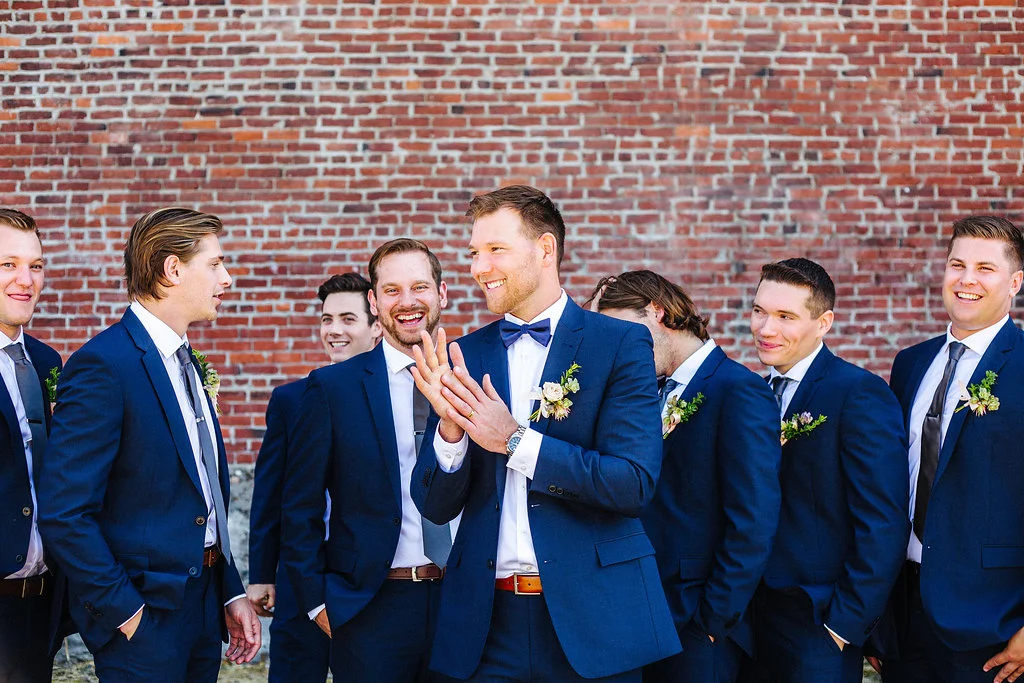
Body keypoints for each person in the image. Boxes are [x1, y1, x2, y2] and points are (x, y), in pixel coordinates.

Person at [410, 185, 680, 682]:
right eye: (473, 253)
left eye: (496, 249)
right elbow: (435, 506)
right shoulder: (465, 354)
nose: (479, 267)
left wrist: (515, 441)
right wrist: (450, 431)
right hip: (486, 627)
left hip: (595, 619)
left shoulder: (619, 343)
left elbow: (633, 483)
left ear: (545, 249)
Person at [37, 207, 261, 682]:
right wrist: (128, 614)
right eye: (215, 264)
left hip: (204, 607)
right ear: (172, 269)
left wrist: (229, 590)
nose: (227, 278)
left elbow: (203, 493)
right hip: (144, 619)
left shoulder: (188, 361)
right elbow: (65, 512)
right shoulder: (104, 365)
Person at [590, 270, 781, 683]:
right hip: (643, 616)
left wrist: (711, 622)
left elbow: (754, 521)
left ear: (656, 312)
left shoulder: (737, 389)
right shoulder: (646, 392)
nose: (618, 347)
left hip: (698, 625)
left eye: (622, 330)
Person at [281, 239, 457, 682]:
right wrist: (318, 603)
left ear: (442, 292)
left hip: (461, 602)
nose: (408, 302)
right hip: (369, 610)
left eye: (420, 287)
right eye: (392, 290)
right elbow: (299, 506)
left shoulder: (471, 375)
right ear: (375, 303)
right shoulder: (332, 389)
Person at [746, 257, 909, 683]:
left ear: (824, 323)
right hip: (749, 620)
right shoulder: (755, 392)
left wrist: (843, 627)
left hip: (816, 622)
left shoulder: (857, 394)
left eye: (785, 317)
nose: (766, 328)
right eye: (759, 311)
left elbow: (884, 521)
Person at [881, 216, 1024, 683]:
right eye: (957, 265)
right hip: (903, 614)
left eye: (985, 268)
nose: (966, 280)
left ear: (1015, 283)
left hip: (994, 621)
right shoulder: (910, 364)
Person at [247, 272, 380, 682]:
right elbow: (270, 490)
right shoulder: (290, 399)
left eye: (347, 319)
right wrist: (262, 573)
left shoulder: (397, 398)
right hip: (299, 571)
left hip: (366, 574)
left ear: (376, 327)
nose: (334, 330)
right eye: (326, 319)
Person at [0, 209, 66, 683]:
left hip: (38, 606)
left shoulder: (46, 361)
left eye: (36, 266)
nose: (26, 280)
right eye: (8, 264)